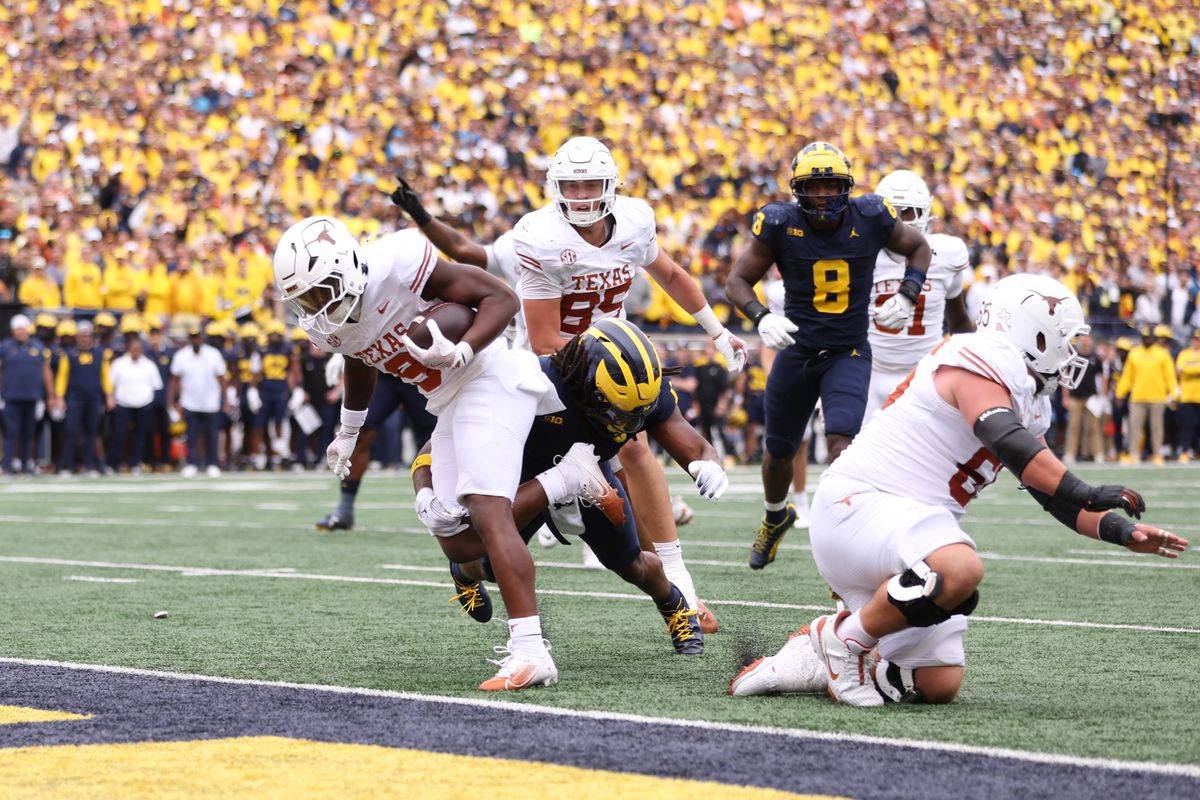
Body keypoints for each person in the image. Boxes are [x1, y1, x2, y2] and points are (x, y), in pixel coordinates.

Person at [729, 274, 1186, 706]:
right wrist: (1089, 489)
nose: (1071, 352)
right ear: (1033, 332)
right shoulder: (980, 357)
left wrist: (1122, 532)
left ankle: (817, 648)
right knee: (959, 570)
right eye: (1064, 339)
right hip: (862, 505)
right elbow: (1007, 438)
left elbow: (1051, 495)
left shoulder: (1025, 395)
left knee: (937, 682)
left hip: (904, 528)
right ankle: (843, 643)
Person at [274, 207, 589, 691]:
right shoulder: (328, 324)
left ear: (349, 267)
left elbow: (501, 298)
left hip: (488, 375)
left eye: (320, 291)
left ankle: (530, 650)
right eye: (305, 298)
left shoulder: (398, 261)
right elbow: (358, 358)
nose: (315, 306)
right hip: (446, 398)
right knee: (454, 534)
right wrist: (349, 430)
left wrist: (462, 349)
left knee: (487, 508)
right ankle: (565, 478)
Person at [510, 136, 747, 629]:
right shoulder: (540, 237)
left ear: (611, 186)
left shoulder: (635, 222)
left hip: (616, 361)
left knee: (637, 449)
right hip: (552, 370)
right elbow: (543, 337)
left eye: (589, 183)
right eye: (570, 184)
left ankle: (682, 586)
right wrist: (608, 368)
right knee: (533, 487)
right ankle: (560, 510)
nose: (579, 195)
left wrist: (717, 331)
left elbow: (672, 275)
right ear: (554, 187)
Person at [411, 319, 730, 657]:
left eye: (637, 414)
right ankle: (464, 571)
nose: (627, 425)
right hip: (521, 477)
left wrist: (708, 461)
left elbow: (691, 442)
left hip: (589, 476)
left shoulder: (641, 392)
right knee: (485, 560)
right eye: (617, 412)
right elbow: (437, 445)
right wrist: (425, 490)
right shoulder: (531, 382)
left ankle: (672, 602)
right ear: (585, 383)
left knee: (631, 563)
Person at [724, 141, 931, 570]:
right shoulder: (779, 222)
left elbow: (920, 248)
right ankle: (775, 516)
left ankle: (843, 539)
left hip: (848, 351)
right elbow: (738, 281)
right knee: (778, 452)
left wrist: (909, 293)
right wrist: (761, 318)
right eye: (813, 187)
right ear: (798, 190)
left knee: (841, 443)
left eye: (831, 185)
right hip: (796, 351)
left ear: (846, 186)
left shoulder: (871, 215)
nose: (822, 196)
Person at [865, 170, 974, 423]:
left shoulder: (947, 254)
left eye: (907, 212)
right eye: (893, 212)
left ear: (924, 213)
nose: (900, 221)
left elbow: (958, 321)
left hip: (925, 373)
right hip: (868, 371)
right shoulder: (863, 252)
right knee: (848, 452)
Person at [170, 323, 229, 477]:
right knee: (192, 435)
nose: (195, 340)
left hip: (211, 402)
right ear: (189, 338)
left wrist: (225, 400)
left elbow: (222, 378)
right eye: (192, 337)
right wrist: (173, 402)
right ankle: (192, 463)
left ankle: (212, 463)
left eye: (197, 337)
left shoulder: (213, 354)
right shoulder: (181, 355)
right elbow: (175, 380)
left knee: (212, 435)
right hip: (189, 401)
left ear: (201, 338)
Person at [0, 314, 55, 474]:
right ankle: (7, 465)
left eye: (23, 329)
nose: (20, 332)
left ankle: (26, 464)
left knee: (29, 433)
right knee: (11, 432)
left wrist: (50, 396)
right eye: (17, 329)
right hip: (11, 397)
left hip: (32, 397)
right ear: (13, 331)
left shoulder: (38, 347)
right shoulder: (5, 347)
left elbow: (46, 372)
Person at [1116, 326, 1178, 464]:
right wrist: (1120, 393)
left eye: (1149, 337)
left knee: (1157, 428)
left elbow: (1170, 376)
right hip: (1137, 397)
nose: (1147, 340)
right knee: (1135, 428)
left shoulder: (1162, 354)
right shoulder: (1134, 353)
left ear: (1154, 339)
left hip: (1158, 397)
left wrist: (1173, 394)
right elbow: (1127, 376)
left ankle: (1157, 454)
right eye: (1144, 337)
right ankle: (1134, 454)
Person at [57, 321, 108, 475]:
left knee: (92, 433)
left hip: (94, 398)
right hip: (74, 398)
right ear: (77, 337)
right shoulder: (69, 355)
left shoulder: (99, 354)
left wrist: (109, 395)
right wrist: (59, 397)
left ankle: (89, 465)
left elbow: (105, 377)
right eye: (82, 336)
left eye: (87, 336)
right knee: (71, 431)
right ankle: (68, 465)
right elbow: (62, 377)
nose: (85, 339)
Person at [107, 331, 162, 473]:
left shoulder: (149, 364)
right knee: (120, 434)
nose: (136, 352)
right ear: (128, 349)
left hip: (144, 404)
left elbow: (157, 386)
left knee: (141, 436)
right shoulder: (119, 363)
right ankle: (117, 463)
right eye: (133, 349)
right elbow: (110, 384)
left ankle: (136, 463)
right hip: (123, 404)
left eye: (138, 349)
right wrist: (110, 399)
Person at [1061, 334, 1106, 464]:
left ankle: (1098, 454)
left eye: (1087, 338)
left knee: (1093, 427)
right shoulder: (1072, 357)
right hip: (1075, 396)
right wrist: (1065, 396)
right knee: (1073, 427)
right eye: (1083, 338)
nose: (1085, 341)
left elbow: (1103, 376)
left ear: (1091, 340)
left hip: (1091, 397)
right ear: (1079, 340)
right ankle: (1070, 454)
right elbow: (1066, 377)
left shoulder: (1096, 358)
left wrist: (1102, 396)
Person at [1175, 331, 1200, 462]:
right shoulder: (1184, 354)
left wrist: (1189, 368)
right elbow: (1179, 370)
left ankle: (1197, 452)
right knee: (1186, 426)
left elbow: (1185, 369)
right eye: (1195, 339)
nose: (1197, 341)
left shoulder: (1186, 356)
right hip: (1188, 396)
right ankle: (1184, 451)